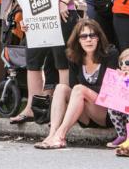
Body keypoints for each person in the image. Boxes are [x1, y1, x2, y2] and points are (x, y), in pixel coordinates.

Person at [33, 19, 119, 149]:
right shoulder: (74, 57)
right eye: (84, 36)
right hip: (84, 114)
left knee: (79, 89)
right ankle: (52, 135)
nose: (88, 39)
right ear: (78, 40)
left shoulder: (110, 54)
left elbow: (108, 90)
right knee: (61, 87)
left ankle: (60, 136)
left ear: (98, 38)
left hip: (105, 112)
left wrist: (85, 92)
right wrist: (83, 93)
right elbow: (73, 86)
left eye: (92, 35)